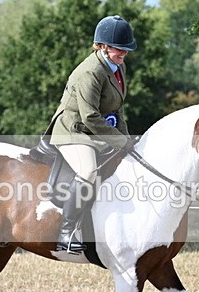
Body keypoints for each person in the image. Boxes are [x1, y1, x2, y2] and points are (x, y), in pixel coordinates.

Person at [49, 15, 138, 253]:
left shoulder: (118, 66)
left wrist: (127, 140)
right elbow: (90, 116)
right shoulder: (90, 72)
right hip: (73, 131)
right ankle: (66, 233)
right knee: (88, 170)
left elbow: (117, 108)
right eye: (120, 49)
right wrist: (119, 141)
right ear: (102, 46)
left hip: (95, 131)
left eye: (126, 49)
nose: (124, 54)